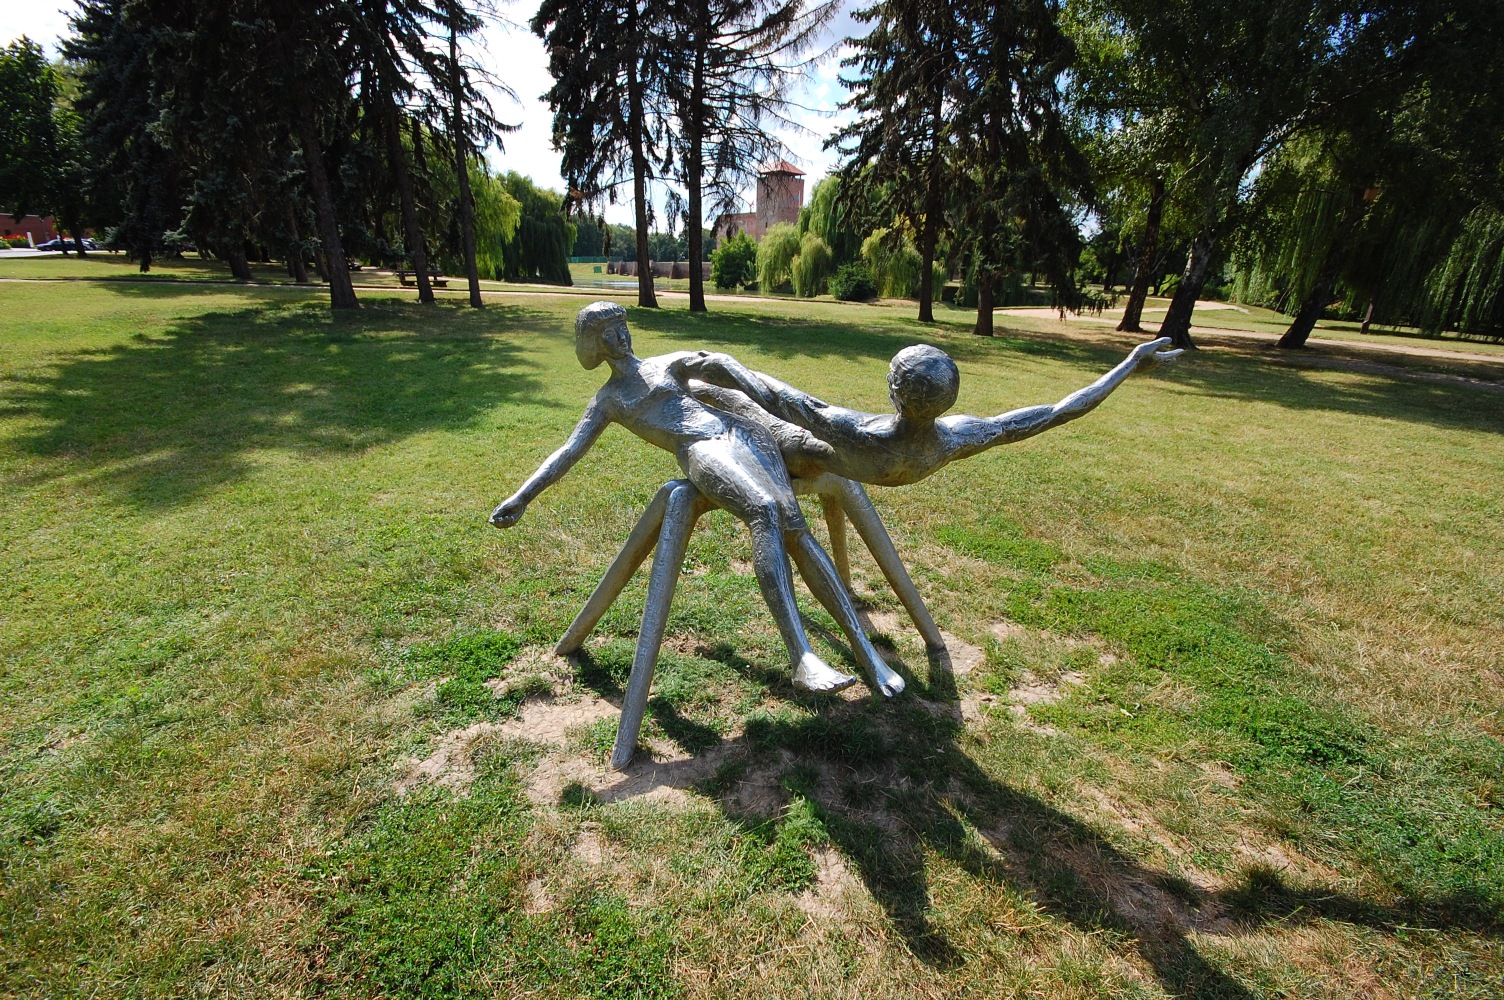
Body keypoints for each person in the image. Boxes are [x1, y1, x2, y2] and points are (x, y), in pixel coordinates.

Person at [489, 301, 905, 696]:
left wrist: (747, 382)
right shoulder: (609, 400)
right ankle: (802, 657)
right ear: (595, 345)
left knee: (796, 530)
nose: (622, 338)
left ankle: (866, 653)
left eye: (623, 328)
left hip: (743, 433)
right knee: (763, 510)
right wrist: (522, 497)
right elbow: (568, 451)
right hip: (700, 449)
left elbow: (710, 361)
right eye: (609, 334)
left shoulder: (664, 363)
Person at [679, 338, 1182, 487]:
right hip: (847, 461)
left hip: (805, 454)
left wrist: (729, 367)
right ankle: (702, 386)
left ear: (894, 393)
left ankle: (695, 385)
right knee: (750, 407)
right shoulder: (956, 438)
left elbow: (789, 402)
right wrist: (1128, 364)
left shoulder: (864, 432)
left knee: (738, 405)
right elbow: (1056, 411)